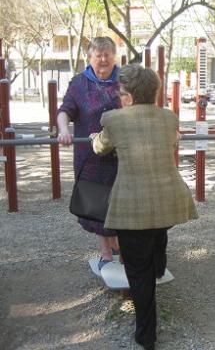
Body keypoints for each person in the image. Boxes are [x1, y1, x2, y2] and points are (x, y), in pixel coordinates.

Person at [91, 64, 198, 350]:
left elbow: (100, 148)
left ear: (127, 95)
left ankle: (146, 335)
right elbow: (174, 141)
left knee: (138, 272)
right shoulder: (168, 116)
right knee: (157, 230)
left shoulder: (114, 119)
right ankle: (160, 265)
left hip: (132, 205)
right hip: (168, 198)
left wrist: (94, 139)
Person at [57, 36, 121, 270]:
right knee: (96, 203)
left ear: (114, 56)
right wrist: (64, 130)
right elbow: (65, 111)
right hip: (90, 157)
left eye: (107, 55)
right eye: (98, 55)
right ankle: (105, 251)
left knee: (121, 201)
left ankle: (121, 246)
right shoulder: (78, 83)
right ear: (90, 57)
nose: (103, 59)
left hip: (121, 155)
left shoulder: (125, 81)